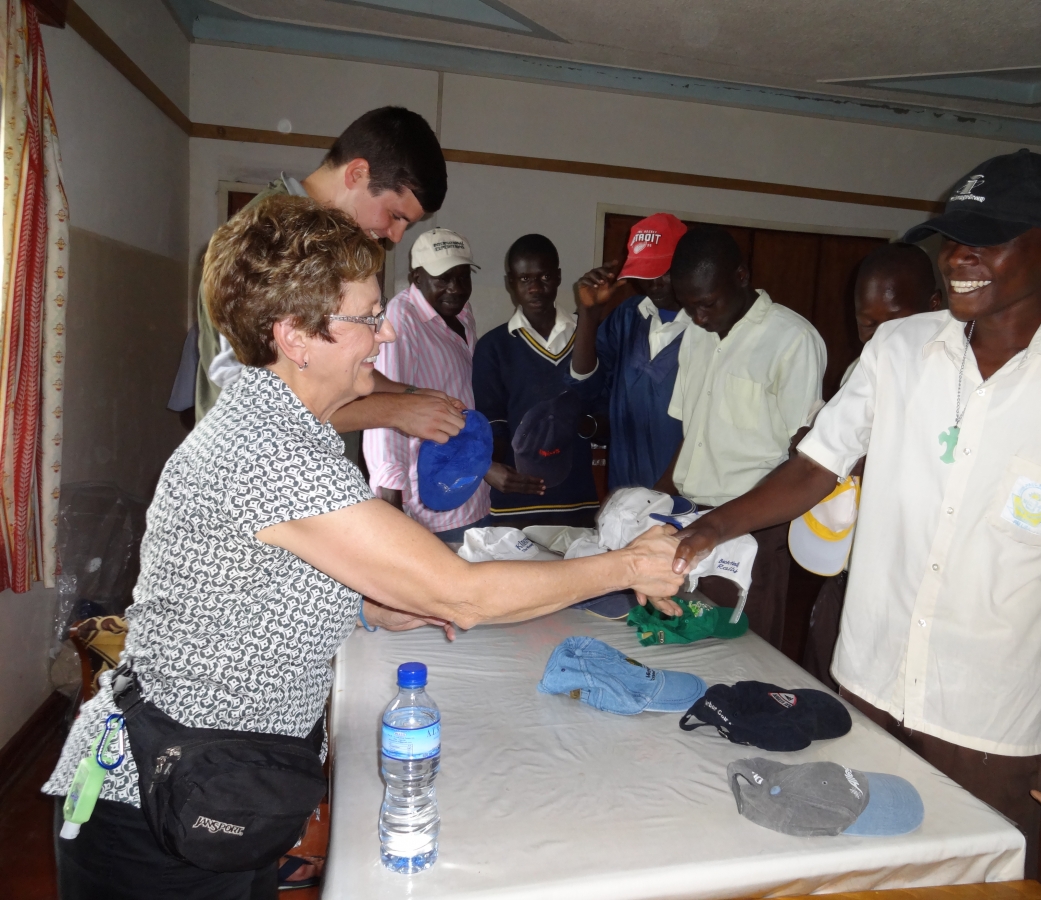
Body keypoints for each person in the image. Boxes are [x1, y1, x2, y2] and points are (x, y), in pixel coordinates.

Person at [45, 196, 685, 900]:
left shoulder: (292, 430)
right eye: (367, 317)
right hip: (161, 805)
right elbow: (461, 592)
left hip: (217, 785)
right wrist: (627, 564)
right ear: (295, 335)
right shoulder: (270, 451)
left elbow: (263, 583)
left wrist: (371, 610)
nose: (382, 337)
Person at [670, 149, 1041, 877]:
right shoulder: (899, 350)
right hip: (866, 684)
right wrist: (711, 526)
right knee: (848, 864)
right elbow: (813, 467)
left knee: (966, 880)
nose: (960, 258)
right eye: (954, 238)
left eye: (989, 240)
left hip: (991, 718)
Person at [192, 106, 465, 447]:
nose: (395, 237)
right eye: (395, 216)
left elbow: (331, 364)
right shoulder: (261, 242)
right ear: (357, 174)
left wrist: (410, 393)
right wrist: (395, 410)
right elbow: (250, 407)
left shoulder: (332, 243)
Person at [655, 225, 827, 650]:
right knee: (683, 640)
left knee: (741, 652)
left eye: (707, 304)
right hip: (689, 516)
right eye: (689, 306)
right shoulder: (695, 335)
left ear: (741, 276)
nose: (698, 317)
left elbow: (803, 457)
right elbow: (690, 433)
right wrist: (654, 501)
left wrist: (730, 522)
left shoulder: (792, 340)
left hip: (752, 530)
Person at [797, 241, 942, 688]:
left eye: (892, 322)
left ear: (934, 307)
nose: (880, 339)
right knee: (824, 676)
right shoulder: (861, 370)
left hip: (910, 584)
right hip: (852, 562)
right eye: (866, 325)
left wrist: (858, 463)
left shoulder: (953, 384)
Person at [362, 227, 497, 542]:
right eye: (442, 278)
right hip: (433, 502)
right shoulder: (401, 319)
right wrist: (390, 503)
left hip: (472, 486)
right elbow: (384, 412)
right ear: (416, 277)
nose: (455, 288)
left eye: (463, 277)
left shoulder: (462, 313)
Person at [473, 234, 602, 527]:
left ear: (558, 277)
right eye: (524, 279)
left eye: (544, 277)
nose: (534, 287)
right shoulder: (494, 347)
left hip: (577, 500)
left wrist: (581, 423)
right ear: (510, 283)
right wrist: (491, 467)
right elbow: (492, 421)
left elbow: (602, 412)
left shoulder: (588, 336)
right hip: (515, 504)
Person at [570, 214, 691, 491]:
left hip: (683, 497)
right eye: (646, 273)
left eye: (664, 270)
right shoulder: (628, 316)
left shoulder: (707, 327)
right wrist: (589, 313)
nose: (654, 283)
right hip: (625, 490)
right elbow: (585, 385)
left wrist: (660, 496)